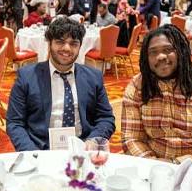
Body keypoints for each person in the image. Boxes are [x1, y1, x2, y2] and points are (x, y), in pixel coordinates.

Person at [121, 24, 192, 177]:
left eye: (168, 50)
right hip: (151, 165)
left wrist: (178, 164)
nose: (160, 56)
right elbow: (131, 138)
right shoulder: (138, 87)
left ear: (182, 51)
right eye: (153, 52)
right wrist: (152, 165)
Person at [6, 17, 115, 151]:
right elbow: (15, 123)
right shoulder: (27, 77)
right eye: (60, 42)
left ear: (80, 46)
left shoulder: (93, 77)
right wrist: (32, 153)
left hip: (82, 149)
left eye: (73, 43)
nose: (67, 48)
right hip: (40, 150)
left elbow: (106, 118)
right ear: (49, 43)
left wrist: (94, 139)